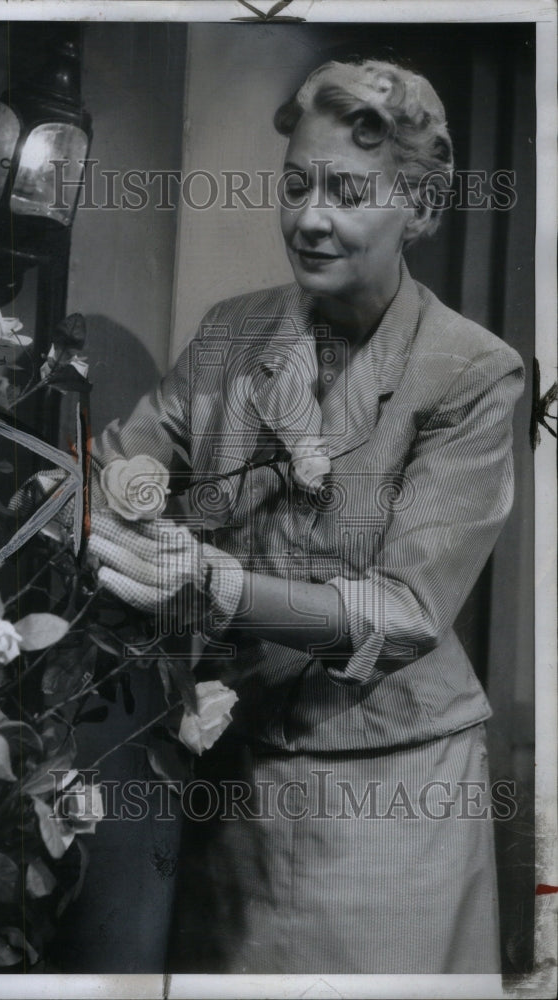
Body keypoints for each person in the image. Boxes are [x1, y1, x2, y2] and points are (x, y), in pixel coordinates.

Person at [82, 58, 525, 973]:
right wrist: (118, 502)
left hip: (391, 790)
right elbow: (128, 465)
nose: (309, 218)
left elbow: (402, 613)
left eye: (347, 191)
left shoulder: (474, 372)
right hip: (234, 781)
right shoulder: (232, 333)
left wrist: (213, 581)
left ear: (420, 208)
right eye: (295, 185)